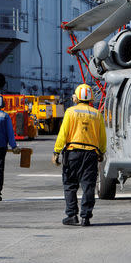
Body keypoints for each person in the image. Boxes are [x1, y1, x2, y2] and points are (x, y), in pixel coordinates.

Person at [53, 84, 106, 226]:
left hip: (73, 153)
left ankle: (72, 215)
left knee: (70, 184)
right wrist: (101, 152)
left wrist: (56, 151)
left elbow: (63, 134)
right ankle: (85, 217)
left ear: (76, 97)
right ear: (91, 99)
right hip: (91, 154)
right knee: (88, 185)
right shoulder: (97, 114)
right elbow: (102, 137)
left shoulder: (70, 112)